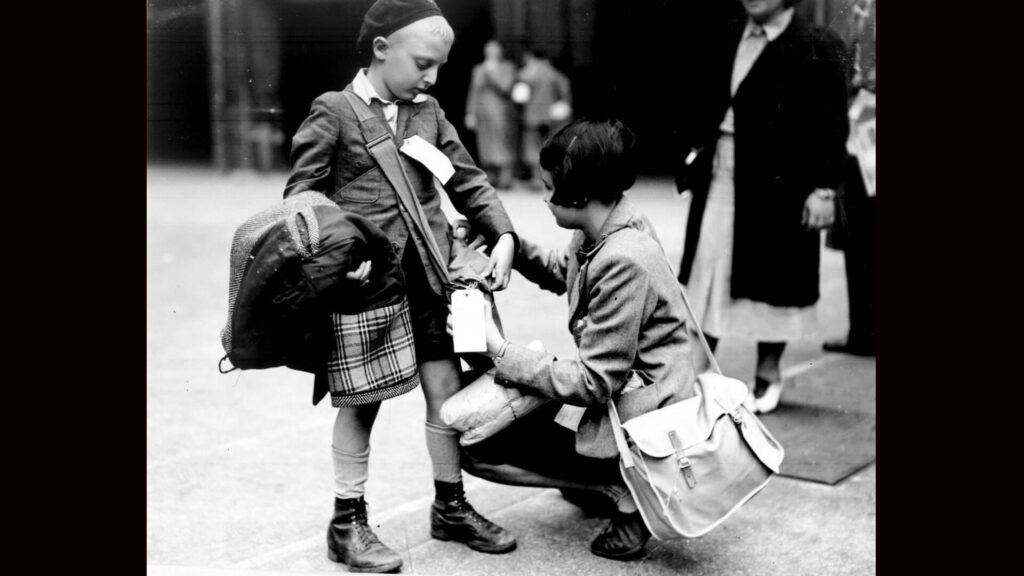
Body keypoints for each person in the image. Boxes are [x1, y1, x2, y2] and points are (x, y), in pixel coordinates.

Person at [283, 0, 520, 571]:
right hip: (367, 288)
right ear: (381, 49)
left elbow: (467, 181)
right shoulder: (333, 111)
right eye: (422, 63)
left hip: (433, 278)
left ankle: (450, 504)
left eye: (439, 66)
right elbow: (300, 201)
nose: (432, 77)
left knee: (446, 391)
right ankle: (347, 523)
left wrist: (505, 234)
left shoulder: (430, 112)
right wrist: (334, 261)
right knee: (362, 400)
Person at [457, 119, 697, 560]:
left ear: (579, 196)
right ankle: (603, 477)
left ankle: (628, 492)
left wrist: (499, 350)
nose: (544, 198)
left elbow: (594, 383)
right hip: (627, 394)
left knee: (478, 446)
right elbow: (564, 271)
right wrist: (505, 242)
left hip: (643, 417)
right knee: (498, 428)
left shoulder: (626, 258)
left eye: (549, 188)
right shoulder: (607, 222)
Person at [674, 0, 849, 414]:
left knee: (774, 276)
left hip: (782, 182)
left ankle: (767, 371)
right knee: (708, 265)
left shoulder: (816, 42)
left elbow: (832, 122)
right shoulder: (728, 32)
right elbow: (702, 100)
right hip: (722, 169)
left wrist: (824, 188)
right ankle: (699, 371)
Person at [824, 0, 876, 357]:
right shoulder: (857, 7)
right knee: (858, 233)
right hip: (861, 131)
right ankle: (862, 329)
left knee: (863, 231)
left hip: (868, 127)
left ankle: (864, 331)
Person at [515, 48, 573, 190]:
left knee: (532, 148)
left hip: (532, 117)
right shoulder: (557, 75)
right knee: (551, 148)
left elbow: (519, 97)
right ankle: (551, 180)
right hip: (552, 118)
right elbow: (565, 97)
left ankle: (537, 179)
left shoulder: (526, 74)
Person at [465, 40, 517, 190]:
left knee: (502, 142)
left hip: (500, 111)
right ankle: (491, 176)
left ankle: (505, 177)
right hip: (482, 112)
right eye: (488, 51)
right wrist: (470, 113)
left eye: (494, 51)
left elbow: (506, 88)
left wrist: (493, 73)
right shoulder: (478, 69)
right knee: (485, 143)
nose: (491, 54)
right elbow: (474, 92)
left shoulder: (507, 68)